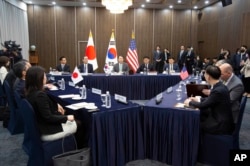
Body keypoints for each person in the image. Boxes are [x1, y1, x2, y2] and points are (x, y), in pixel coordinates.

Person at [25, 66, 77, 141]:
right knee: (80, 122)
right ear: (39, 79)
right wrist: (67, 118)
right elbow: (48, 117)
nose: (46, 77)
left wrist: (56, 105)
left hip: (40, 127)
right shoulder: (40, 96)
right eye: (44, 75)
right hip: (48, 131)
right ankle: (75, 149)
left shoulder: (30, 92)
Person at [184, 65, 234, 134]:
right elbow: (211, 100)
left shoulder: (218, 90)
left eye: (205, 74)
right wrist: (198, 99)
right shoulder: (220, 86)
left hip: (220, 123)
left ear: (208, 77)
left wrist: (189, 102)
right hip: (220, 117)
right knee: (201, 116)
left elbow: (203, 105)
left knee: (193, 124)